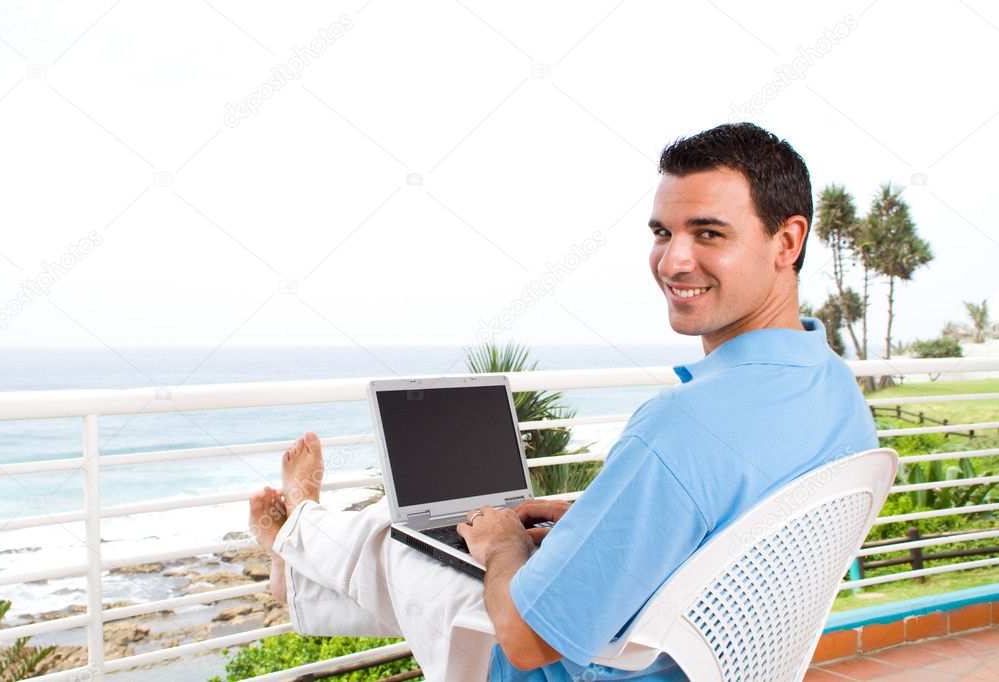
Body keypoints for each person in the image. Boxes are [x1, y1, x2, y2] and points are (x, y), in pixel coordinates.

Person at [248, 122, 879, 681]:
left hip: (586, 668)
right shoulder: (833, 390)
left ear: (786, 242)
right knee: (428, 547)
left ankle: (296, 538)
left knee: (403, 547)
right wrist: (598, 515)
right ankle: (297, 548)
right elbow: (733, 513)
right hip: (707, 649)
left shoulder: (682, 427)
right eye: (662, 231)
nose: (673, 259)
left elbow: (526, 644)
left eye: (708, 233)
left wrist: (502, 544)